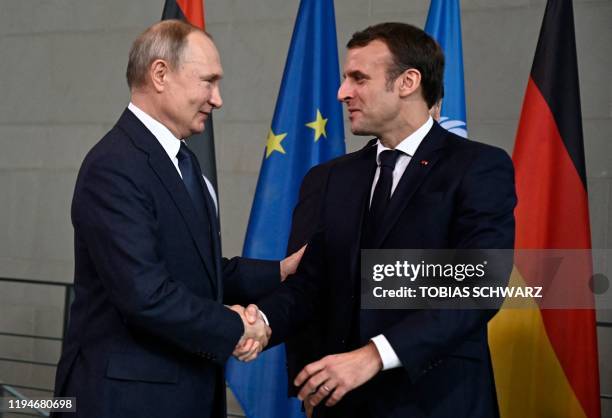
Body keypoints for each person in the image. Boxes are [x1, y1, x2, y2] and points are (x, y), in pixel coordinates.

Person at [253, 22, 516, 418]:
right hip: (342, 406)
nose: (342, 93)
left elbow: (475, 287)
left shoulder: (478, 167)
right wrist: (260, 323)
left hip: (436, 403)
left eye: (358, 78)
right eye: (345, 79)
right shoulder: (332, 178)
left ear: (408, 82)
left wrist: (374, 355)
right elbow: (311, 284)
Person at [52, 20, 303, 418]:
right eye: (208, 81)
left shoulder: (185, 164)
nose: (217, 99)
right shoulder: (114, 166)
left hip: (187, 391)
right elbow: (145, 294)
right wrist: (236, 328)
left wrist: (280, 271)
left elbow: (196, 274)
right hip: (126, 403)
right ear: (160, 74)